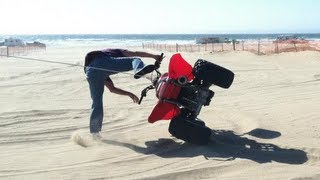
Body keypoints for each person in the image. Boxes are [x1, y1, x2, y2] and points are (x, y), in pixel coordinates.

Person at [84, 48, 164, 138]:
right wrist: (155, 56)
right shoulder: (116, 51)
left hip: (90, 72)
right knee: (136, 60)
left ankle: (95, 134)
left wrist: (129, 94)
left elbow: (112, 89)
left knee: (97, 103)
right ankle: (138, 69)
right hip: (101, 61)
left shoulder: (103, 73)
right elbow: (135, 53)